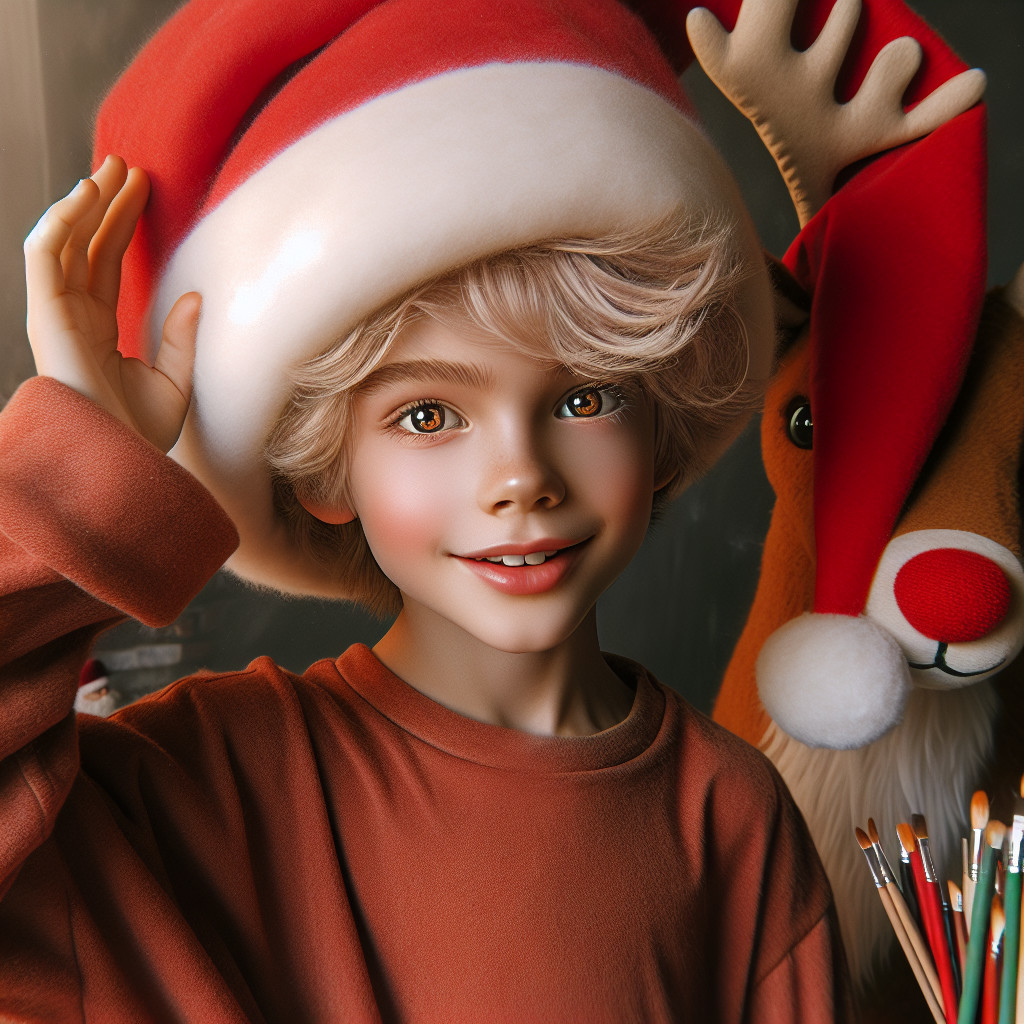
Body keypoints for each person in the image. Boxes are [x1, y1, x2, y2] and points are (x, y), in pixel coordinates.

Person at [0, 0, 851, 1019]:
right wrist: (68, 481)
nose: (519, 475)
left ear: (657, 420)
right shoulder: (196, 783)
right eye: (429, 412)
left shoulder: (731, 817)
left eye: (584, 399)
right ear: (323, 471)